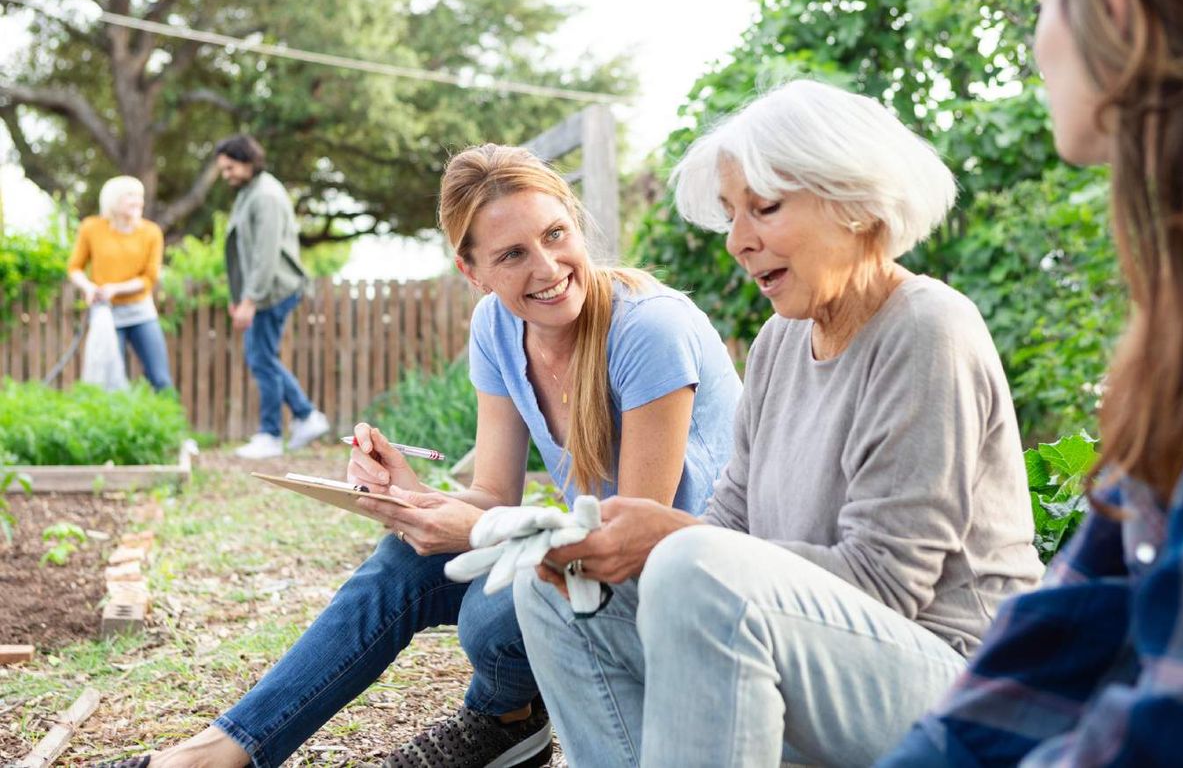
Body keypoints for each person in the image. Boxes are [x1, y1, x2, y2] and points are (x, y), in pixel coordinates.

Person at [98, 144, 740, 768]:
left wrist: (477, 527)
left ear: (575, 223)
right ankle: (219, 753)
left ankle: (501, 719)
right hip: (599, 565)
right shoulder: (498, 328)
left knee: (491, 615)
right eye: (512, 254)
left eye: (555, 234)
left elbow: (629, 544)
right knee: (404, 558)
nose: (547, 268)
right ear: (473, 272)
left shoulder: (647, 329)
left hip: (693, 585)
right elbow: (492, 497)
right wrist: (412, 496)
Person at [514, 79, 1047, 767]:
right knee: (556, 596)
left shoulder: (927, 329)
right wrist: (613, 547)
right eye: (731, 215)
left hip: (963, 687)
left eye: (764, 208)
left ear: (855, 205)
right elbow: (731, 523)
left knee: (694, 569)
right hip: (829, 658)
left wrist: (671, 540)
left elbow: (888, 584)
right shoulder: (779, 342)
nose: (738, 241)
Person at [879, 0, 1183, 764]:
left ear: (1112, 8)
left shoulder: (928, 324)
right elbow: (1080, 608)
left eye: (1039, 7)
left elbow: (1170, 731)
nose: (1034, 47)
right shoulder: (1175, 341)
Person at [216, 134, 329, 459]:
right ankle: (305, 416)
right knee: (262, 357)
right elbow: (242, 252)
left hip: (273, 290)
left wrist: (250, 299)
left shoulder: (265, 195)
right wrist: (239, 296)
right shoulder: (249, 192)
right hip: (263, 291)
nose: (226, 175)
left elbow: (264, 255)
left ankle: (271, 433)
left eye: (230, 167)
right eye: (223, 170)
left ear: (248, 161)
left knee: (261, 359)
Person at [68, 175, 173, 391]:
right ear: (113, 200)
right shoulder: (91, 228)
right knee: (110, 379)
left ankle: (167, 412)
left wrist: (115, 289)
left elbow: (149, 278)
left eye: (140, 196)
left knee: (160, 378)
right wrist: (89, 287)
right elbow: (74, 268)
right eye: (130, 196)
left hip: (141, 311)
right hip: (106, 313)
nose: (138, 201)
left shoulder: (151, 232)